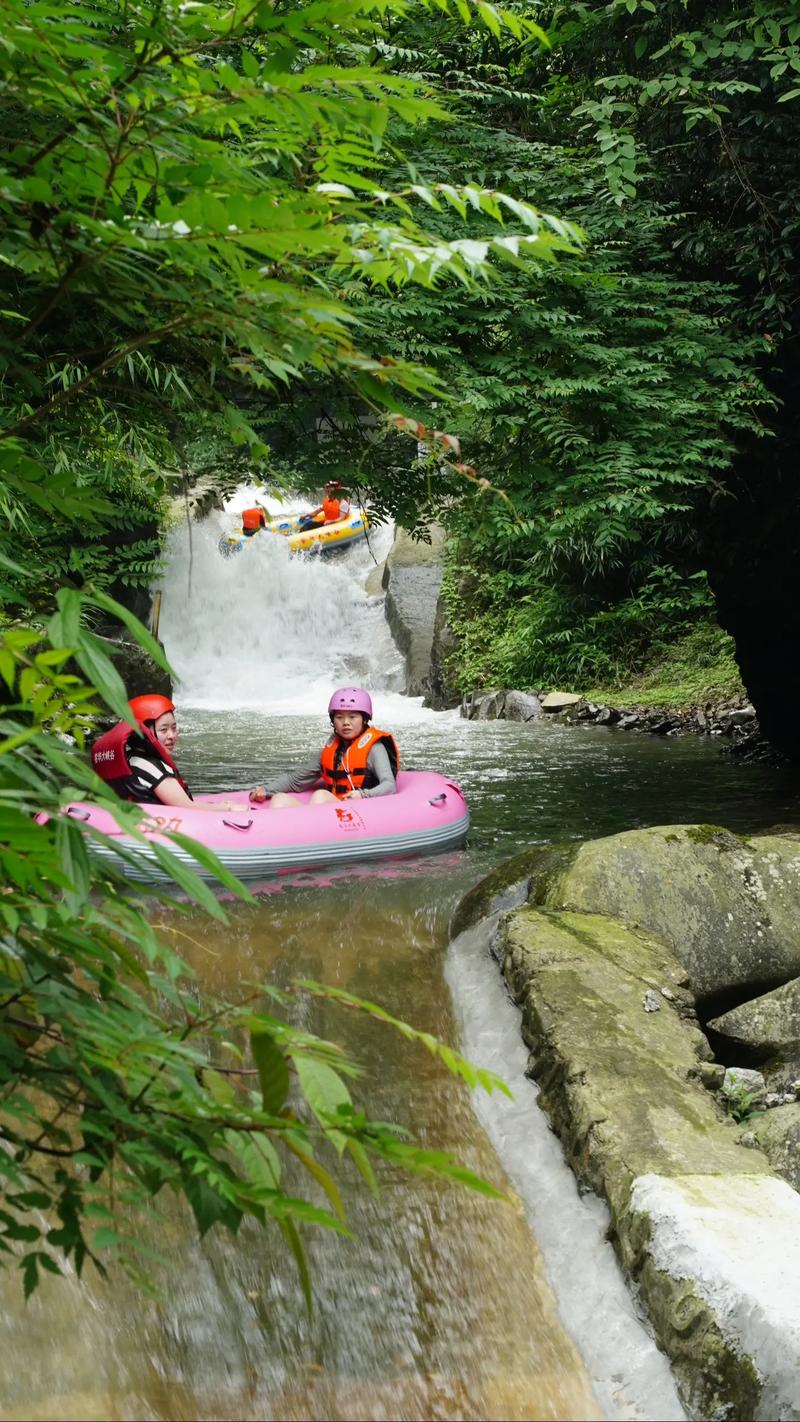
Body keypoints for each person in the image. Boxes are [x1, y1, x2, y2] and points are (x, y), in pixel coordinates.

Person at [91, 694, 246, 811]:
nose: (172, 736)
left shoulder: (131, 759)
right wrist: (227, 808)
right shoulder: (150, 767)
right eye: (164, 730)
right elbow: (187, 808)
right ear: (143, 733)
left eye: (174, 728)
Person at [250, 687, 398, 808]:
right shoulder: (331, 750)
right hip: (333, 810)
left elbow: (389, 785)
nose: (346, 722)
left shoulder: (375, 749)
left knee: (320, 795)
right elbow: (295, 781)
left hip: (361, 807)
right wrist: (266, 790)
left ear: (364, 719)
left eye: (352, 717)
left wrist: (362, 794)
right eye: (339, 717)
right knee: (279, 800)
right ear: (333, 721)